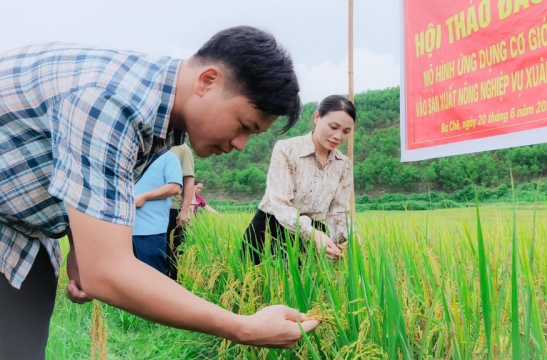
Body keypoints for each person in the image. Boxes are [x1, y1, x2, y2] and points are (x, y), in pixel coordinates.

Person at [0, 26, 318, 359]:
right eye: (243, 126)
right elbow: (106, 272)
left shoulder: (160, 117)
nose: (240, 145)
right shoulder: (113, 104)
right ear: (207, 81)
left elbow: (81, 175)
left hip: (27, 231)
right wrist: (243, 327)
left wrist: (82, 242)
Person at [242, 95, 360, 265]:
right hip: (271, 230)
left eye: (346, 131)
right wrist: (312, 234)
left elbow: (338, 211)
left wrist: (350, 234)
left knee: (309, 288)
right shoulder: (287, 149)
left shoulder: (344, 165)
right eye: (333, 127)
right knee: (257, 287)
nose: (338, 136)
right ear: (317, 117)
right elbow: (280, 204)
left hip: (315, 234)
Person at [133, 152, 183, 275]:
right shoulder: (130, 155)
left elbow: (174, 187)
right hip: (121, 228)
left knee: (152, 276)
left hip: (149, 229)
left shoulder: (168, 157)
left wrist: (145, 196)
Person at [165, 143, 195, 281]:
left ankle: (173, 285)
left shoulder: (182, 148)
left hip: (172, 208)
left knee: (174, 252)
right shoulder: (150, 142)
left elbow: (189, 181)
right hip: (147, 207)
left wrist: (184, 211)